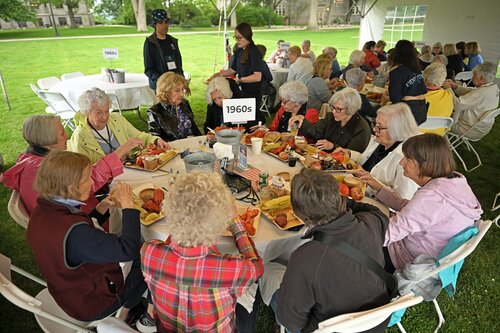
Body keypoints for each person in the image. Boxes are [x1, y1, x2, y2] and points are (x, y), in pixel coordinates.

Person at [27, 150, 149, 324]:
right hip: (95, 303)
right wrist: (129, 207)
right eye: (87, 179)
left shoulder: (43, 210)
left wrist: (101, 207)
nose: (92, 182)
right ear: (71, 188)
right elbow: (127, 249)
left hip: (68, 291)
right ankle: (129, 311)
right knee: (149, 255)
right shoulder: (76, 234)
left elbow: (83, 237)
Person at [141, 171, 263, 332]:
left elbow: (173, 245)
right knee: (252, 299)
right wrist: (236, 224)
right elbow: (257, 267)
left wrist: (183, 220)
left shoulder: (148, 251)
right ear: (219, 220)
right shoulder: (231, 268)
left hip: (168, 329)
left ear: (170, 209)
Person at [274, 168, 390, 333]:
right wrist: (336, 201)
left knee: (271, 274)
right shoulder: (371, 222)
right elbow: (375, 211)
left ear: (300, 214)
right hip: (378, 320)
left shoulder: (304, 258)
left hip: (332, 328)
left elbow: (290, 321)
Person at [367, 134, 483, 271]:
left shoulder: (432, 197)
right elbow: (413, 210)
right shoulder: (453, 184)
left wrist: (352, 229)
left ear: (424, 165)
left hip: (403, 260)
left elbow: (387, 234)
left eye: (407, 159)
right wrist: (379, 188)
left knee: (344, 242)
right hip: (423, 254)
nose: (401, 162)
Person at [1, 115, 134, 214]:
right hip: (81, 220)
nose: (66, 136)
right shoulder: (45, 168)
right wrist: (121, 151)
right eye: (62, 133)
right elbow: (88, 181)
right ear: (48, 140)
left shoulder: (32, 160)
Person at [337, 103, 421, 200]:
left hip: (374, 202)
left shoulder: (406, 159)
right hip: (354, 187)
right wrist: (349, 153)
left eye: (379, 127)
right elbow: (366, 161)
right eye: (375, 124)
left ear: (396, 130)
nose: (374, 129)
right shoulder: (380, 141)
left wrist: (373, 182)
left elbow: (402, 200)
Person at [69, 88, 169, 164]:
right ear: (87, 112)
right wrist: (122, 150)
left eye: (106, 111)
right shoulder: (80, 136)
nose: (104, 117)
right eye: (99, 113)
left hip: (130, 169)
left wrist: (155, 140)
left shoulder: (116, 119)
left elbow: (139, 136)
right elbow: (84, 172)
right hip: (105, 183)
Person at [290, 87, 371, 152]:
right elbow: (315, 133)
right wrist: (303, 120)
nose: (334, 112)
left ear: (351, 109)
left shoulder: (362, 128)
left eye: (338, 109)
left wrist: (332, 146)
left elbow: (351, 156)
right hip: (323, 158)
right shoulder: (330, 117)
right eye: (333, 107)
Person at [444, 61, 500, 140]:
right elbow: (471, 92)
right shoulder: (492, 88)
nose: (472, 77)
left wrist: (448, 88)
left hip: (468, 129)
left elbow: (457, 104)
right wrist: (456, 87)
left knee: (441, 119)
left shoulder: (481, 94)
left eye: (474, 75)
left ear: (481, 78)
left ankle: (438, 145)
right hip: (481, 128)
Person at [213, 22, 263, 104]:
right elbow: (233, 69)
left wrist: (240, 80)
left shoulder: (254, 51)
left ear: (247, 36)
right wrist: (219, 75)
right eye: (235, 37)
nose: (237, 40)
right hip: (242, 91)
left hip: (253, 93)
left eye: (239, 38)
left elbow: (257, 76)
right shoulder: (239, 50)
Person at [147, 72, 201, 142]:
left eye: (182, 89)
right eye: (177, 90)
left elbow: (194, 128)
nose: (181, 94)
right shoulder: (155, 111)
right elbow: (155, 139)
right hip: (173, 149)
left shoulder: (185, 103)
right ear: (166, 92)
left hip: (194, 144)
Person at [385, 39, 428, 125]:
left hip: (407, 112)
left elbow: (395, 98)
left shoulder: (396, 72)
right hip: (422, 109)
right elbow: (424, 89)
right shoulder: (417, 70)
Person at [144, 9, 183, 91]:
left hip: (175, 84)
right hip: (160, 87)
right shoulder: (150, 42)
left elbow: (179, 65)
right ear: (155, 25)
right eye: (160, 23)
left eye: (166, 22)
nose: (164, 26)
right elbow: (149, 69)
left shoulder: (173, 41)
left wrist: (182, 80)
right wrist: (162, 81)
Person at [423, 63, 454, 135]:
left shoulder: (418, 96)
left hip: (416, 134)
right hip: (438, 136)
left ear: (425, 79)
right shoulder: (449, 96)